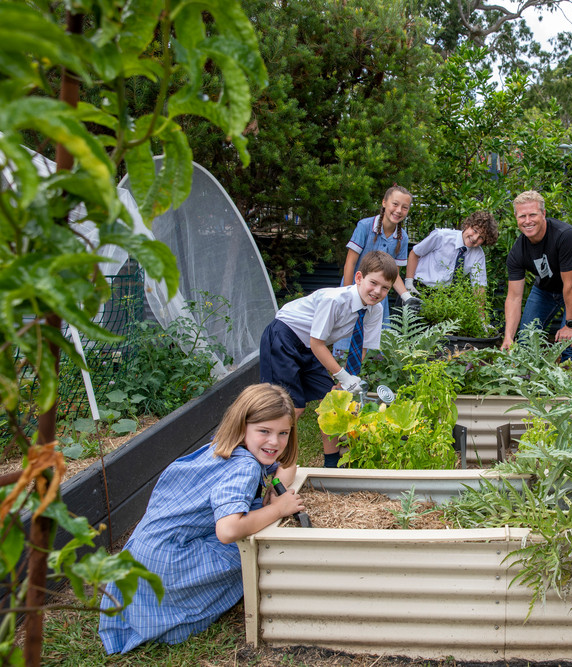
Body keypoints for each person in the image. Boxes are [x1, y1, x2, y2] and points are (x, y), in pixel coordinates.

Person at [98, 383, 304, 654]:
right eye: (264, 431)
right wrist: (278, 509)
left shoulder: (221, 448)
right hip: (170, 562)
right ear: (243, 426)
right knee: (248, 548)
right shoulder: (244, 467)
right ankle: (185, 608)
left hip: (144, 551)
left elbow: (284, 468)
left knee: (253, 515)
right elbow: (228, 530)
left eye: (283, 433)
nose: (274, 442)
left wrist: (276, 491)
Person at [259, 251, 397, 467]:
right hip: (284, 336)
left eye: (385, 288)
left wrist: (345, 382)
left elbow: (360, 348)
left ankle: (331, 467)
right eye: (373, 283)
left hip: (309, 346)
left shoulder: (375, 310)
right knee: (291, 407)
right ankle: (267, 462)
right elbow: (317, 344)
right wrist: (341, 374)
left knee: (332, 403)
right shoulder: (334, 300)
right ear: (359, 277)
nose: (377, 291)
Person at [502, 190, 572, 361]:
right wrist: (508, 336)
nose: (527, 221)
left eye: (532, 214)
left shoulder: (565, 236)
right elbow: (514, 297)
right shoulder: (518, 251)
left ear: (543, 214)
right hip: (545, 290)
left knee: (569, 343)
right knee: (525, 341)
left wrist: (570, 325)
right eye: (522, 216)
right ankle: (527, 385)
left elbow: (571, 285)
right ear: (516, 218)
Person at [341, 185, 416, 309]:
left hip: (378, 298)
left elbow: (393, 275)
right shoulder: (364, 226)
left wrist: (407, 297)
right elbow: (350, 263)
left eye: (404, 208)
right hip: (355, 291)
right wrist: (346, 295)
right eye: (395, 204)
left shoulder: (403, 237)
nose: (399, 210)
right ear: (384, 202)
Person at [405, 210, 499, 291]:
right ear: (467, 225)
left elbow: (479, 286)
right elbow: (415, 253)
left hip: (443, 296)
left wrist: (480, 311)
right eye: (475, 231)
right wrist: (409, 285)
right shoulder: (441, 236)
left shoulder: (478, 254)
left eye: (481, 237)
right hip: (418, 286)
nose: (475, 238)